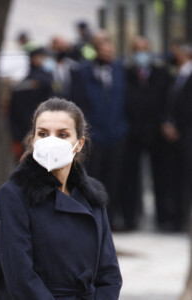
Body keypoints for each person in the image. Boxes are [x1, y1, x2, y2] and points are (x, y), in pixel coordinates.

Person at [0, 97, 122, 299]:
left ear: (79, 144)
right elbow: (20, 277)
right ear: (33, 141)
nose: (51, 141)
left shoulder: (92, 197)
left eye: (62, 135)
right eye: (43, 134)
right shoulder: (13, 195)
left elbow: (109, 274)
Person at [71, 31, 128, 230]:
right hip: (94, 136)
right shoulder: (83, 72)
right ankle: (92, 219)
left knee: (115, 179)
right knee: (93, 178)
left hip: (117, 135)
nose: (107, 51)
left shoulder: (119, 70)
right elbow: (78, 102)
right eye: (102, 48)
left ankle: (111, 221)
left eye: (109, 47)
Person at [124, 36, 171, 230]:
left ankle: (164, 218)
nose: (141, 53)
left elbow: (167, 100)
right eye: (137, 49)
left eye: (144, 49)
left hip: (157, 132)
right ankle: (131, 218)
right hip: (133, 132)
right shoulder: (126, 73)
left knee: (161, 177)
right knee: (131, 178)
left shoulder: (161, 73)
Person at [160, 40, 192, 231]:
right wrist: (166, 123)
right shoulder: (176, 76)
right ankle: (176, 219)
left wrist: (177, 126)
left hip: (187, 135)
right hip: (174, 138)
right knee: (175, 179)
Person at [9, 47, 53, 160]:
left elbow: (13, 112)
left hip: (25, 134)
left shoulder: (21, 84)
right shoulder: (46, 81)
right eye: (43, 58)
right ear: (35, 59)